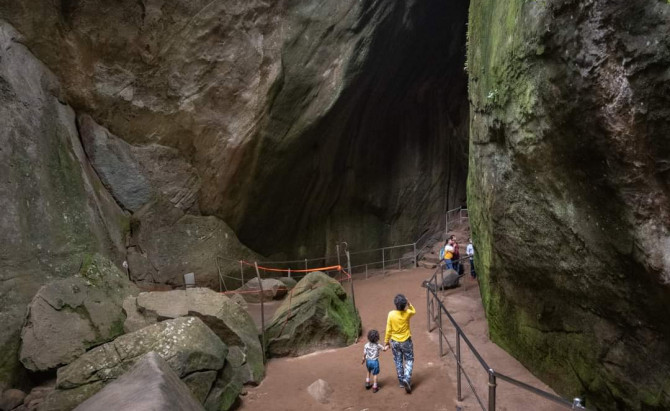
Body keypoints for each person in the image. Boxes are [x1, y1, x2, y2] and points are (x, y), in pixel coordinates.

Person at [384, 294, 416, 394]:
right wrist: (409, 303)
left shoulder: (391, 314)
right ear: (404, 305)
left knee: (398, 360)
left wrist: (386, 342)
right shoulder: (407, 313)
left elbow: (388, 329)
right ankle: (407, 377)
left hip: (395, 341)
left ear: (395, 304)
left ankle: (402, 382)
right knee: (409, 359)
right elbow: (414, 311)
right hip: (406, 340)